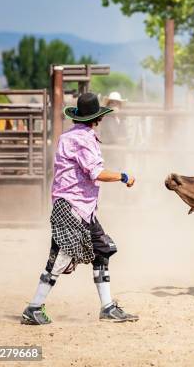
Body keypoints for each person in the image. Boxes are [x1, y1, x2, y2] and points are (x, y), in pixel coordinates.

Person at [21, 92, 138, 325]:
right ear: (97, 118)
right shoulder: (85, 139)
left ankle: (107, 307)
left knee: (102, 249)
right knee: (60, 258)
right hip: (75, 206)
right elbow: (96, 173)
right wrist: (123, 176)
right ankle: (34, 307)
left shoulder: (68, 137)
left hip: (76, 206)